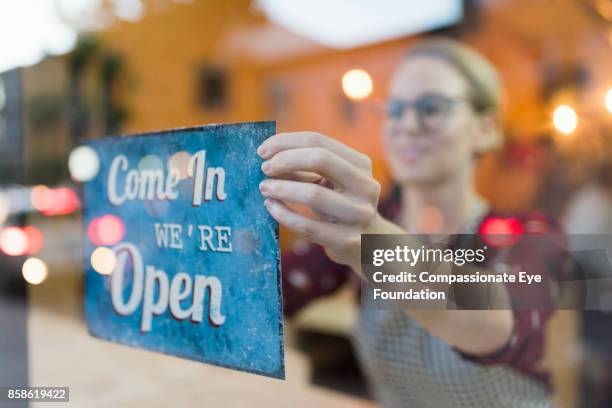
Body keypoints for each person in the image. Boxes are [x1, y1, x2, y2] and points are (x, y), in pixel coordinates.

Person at [257, 37, 562, 407]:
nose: (408, 124)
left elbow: (497, 322)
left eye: (432, 108)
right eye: (396, 109)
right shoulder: (357, 226)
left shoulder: (532, 236)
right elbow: (265, 294)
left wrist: (369, 242)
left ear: (485, 128)